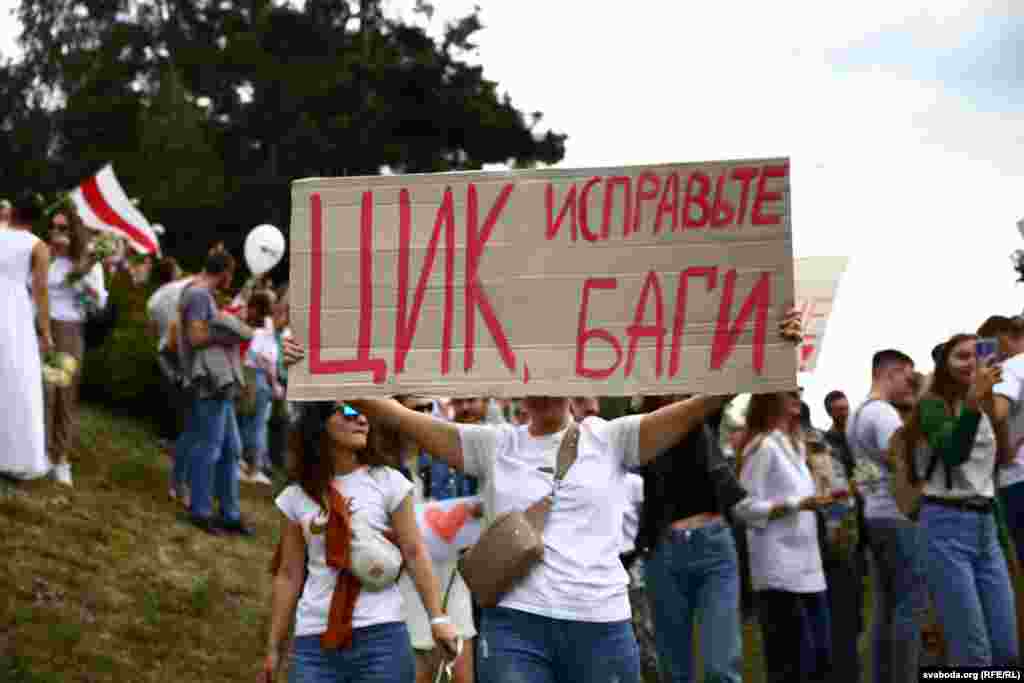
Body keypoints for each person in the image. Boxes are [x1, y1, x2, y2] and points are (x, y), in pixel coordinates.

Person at [262, 402, 458, 683]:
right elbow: (289, 574)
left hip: (381, 637)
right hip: (313, 644)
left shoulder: (388, 481)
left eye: (365, 412)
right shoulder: (296, 496)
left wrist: (438, 619)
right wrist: (274, 647)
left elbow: (414, 553)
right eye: (350, 411)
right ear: (320, 421)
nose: (362, 419)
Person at [904, 334, 1017, 666]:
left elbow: (1004, 459)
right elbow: (953, 453)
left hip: (985, 524)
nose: (971, 363)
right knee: (972, 653)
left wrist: (993, 409)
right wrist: (971, 402)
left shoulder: (983, 406)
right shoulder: (932, 405)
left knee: (1007, 650)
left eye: (977, 355)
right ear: (944, 365)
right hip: (946, 525)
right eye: (961, 356)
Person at [738, 392, 834, 683]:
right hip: (778, 570)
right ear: (770, 398)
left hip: (809, 568)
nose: (798, 396)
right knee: (791, 663)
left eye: (798, 391)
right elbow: (743, 507)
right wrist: (796, 505)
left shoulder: (796, 448)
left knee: (820, 658)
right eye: (790, 392)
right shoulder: (763, 446)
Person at [847, 349, 926, 683]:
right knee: (910, 605)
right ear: (891, 373)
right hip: (896, 515)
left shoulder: (856, 415)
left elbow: (865, 471)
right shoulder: (882, 414)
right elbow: (905, 459)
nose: (909, 386)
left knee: (885, 607)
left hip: (875, 514)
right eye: (907, 377)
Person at [177, 250, 251, 536]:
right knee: (209, 447)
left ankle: (230, 514)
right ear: (225, 273)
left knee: (232, 449)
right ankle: (200, 510)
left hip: (219, 383)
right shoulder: (198, 296)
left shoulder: (201, 295)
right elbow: (196, 337)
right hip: (209, 383)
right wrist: (230, 330)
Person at [45, 211, 107, 487]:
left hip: (67, 331)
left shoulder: (90, 264)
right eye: (54, 227)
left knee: (62, 395)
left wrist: (79, 276)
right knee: (41, 394)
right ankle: (39, 452)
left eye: (63, 228)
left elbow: (96, 305)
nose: (56, 233)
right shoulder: (42, 255)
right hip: (38, 328)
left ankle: (60, 459)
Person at [0, 196, 52, 481]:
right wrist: (45, 330)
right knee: (16, 378)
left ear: (14, 211)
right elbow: (41, 290)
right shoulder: (37, 246)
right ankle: (12, 453)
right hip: (14, 311)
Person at [147, 257, 196, 502]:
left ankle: (175, 471)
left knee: (176, 416)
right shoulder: (182, 288)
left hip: (165, 357)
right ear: (173, 272)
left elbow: (153, 330)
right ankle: (180, 481)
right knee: (187, 421)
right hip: (184, 356)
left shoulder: (153, 300)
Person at [980, 316, 1024, 566]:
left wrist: (984, 387)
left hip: (1018, 475)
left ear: (1002, 337)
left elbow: (997, 412)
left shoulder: (1012, 367)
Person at [237, 289, 278, 485]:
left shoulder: (247, 328)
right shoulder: (265, 333)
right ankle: (254, 470)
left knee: (244, 421)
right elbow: (267, 361)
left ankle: (239, 463)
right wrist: (275, 384)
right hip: (258, 378)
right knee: (257, 426)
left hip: (244, 375)